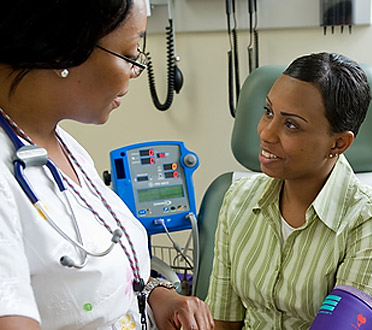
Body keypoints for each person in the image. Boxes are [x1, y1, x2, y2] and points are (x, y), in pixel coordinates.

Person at [0, 1, 213, 329]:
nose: (135, 70)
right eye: (130, 54)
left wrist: (157, 295)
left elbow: (104, 271)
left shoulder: (63, 145)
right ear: (66, 48)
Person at [205, 53, 372, 330]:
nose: (266, 133)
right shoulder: (237, 199)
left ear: (338, 143)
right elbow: (223, 321)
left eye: (291, 124)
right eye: (268, 112)